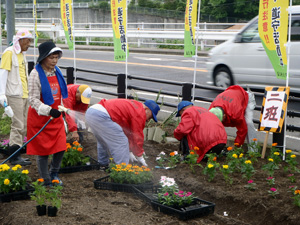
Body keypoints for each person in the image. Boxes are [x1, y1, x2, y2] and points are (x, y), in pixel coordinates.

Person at [27, 41, 68, 186]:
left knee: (61, 146)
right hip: (41, 118)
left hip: (55, 116)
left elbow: (60, 95)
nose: (55, 61)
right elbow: (33, 100)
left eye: (57, 57)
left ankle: (54, 173)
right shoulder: (35, 74)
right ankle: (45, 179)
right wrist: (49, 110)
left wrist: (61, 110)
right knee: (43, 151)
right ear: (43, 58)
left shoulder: (56, 71)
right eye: (52, 58)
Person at [85, 99, 160, 167]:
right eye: (150, 117)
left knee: (103, 140)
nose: (148, 120)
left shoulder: (135, 106)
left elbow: (128, 132)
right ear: (147, 110)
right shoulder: (140, 113)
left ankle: (102, 165)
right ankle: (123, 170)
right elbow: (137, 135)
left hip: (92, 111)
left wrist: (130, 151)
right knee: (121, 141)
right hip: (101, 115)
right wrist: (139, 155)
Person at [0, 29, 33, 166]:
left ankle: (16, 151)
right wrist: (2, 94)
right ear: (20, 40)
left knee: (23, 125)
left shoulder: (21, 54)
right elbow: (3, 73)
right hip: (14, 95)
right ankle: (14, 155)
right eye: (28, 40)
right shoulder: (9, 53)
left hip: (23, 94)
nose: (29, 44)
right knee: (17, 125)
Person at [209, 85, 257, 151]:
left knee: (248, 123)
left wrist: (236, 146)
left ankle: (253, 151)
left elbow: (242, 130)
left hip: (245, 97)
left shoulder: (235, 113)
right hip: (232, 96)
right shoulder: (211, 110)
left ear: (224, 116)